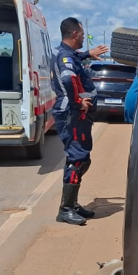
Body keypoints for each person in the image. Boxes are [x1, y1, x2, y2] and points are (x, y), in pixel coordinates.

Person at [51, 17, 109, 225]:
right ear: (75, 34)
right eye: (83, 35)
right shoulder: (65, 57)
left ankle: (72, 204)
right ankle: (65, 209)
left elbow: (73, 58)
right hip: (73, 115)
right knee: (78, 159)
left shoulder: (64, 52)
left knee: (81, 158)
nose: (84, 38)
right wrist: (78, 102)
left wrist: (87, 53)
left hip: (76, 115)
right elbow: (68, 78)